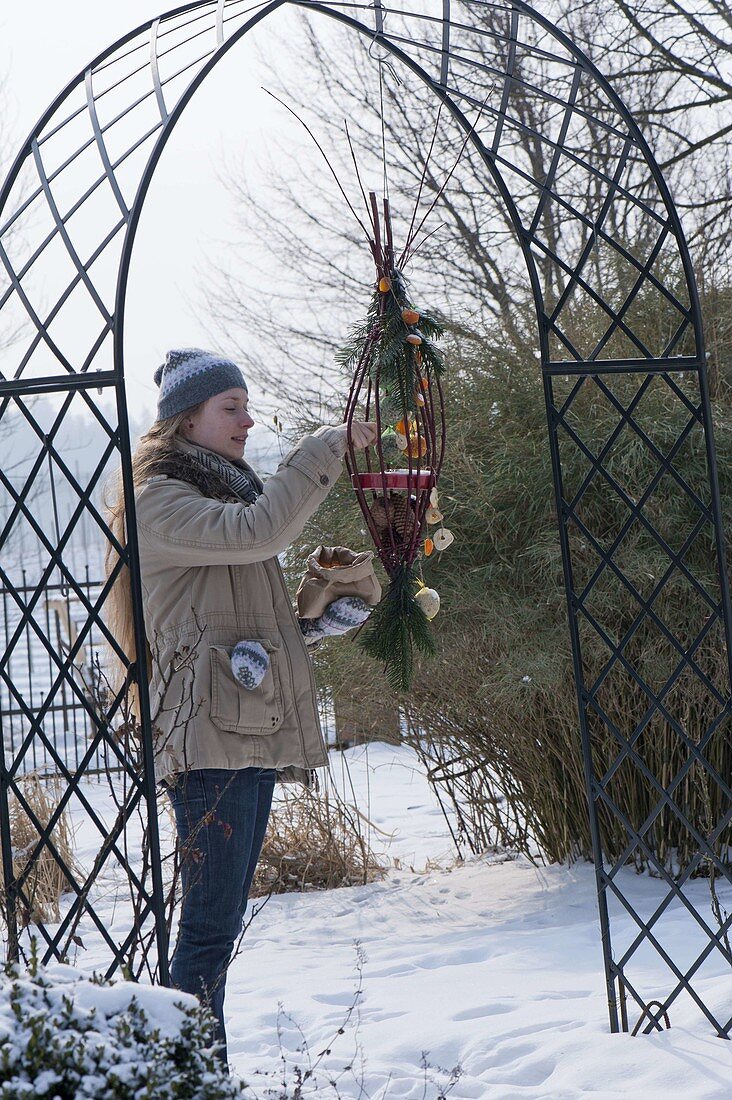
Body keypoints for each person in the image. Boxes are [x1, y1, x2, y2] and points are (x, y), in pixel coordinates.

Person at [105, 348, 377, 1065]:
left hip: (241, 732)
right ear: (184, 419)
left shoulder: (222, 493)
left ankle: (194, 1072)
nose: (248, 421)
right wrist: (325, 449)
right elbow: (257, 532)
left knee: (216, 929)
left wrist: (315, 623)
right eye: (232, 407)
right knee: (207, 931)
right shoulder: (158, 500)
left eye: (246, 407)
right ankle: (190, 1075)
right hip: (204, 742)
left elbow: (240, 623)